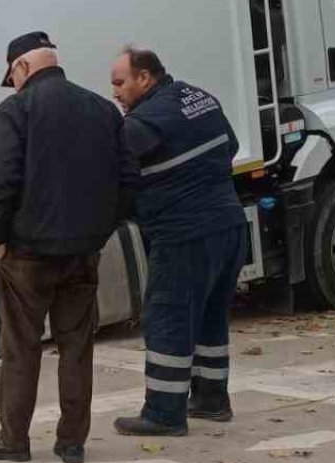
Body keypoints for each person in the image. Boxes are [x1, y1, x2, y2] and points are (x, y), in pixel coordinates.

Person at [0, 32, 135, 463]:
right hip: (83, 253)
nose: (14, 85)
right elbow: (127, 184)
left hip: (26, 256)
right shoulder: (103, 110)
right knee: (76, 348)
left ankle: (13, 440)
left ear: (22, 67)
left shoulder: (13, 112)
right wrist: (98, 234)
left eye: (13, 76)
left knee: (21, 348)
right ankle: (71, 442)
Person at [109, 46, 249, 437]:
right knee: (209, 317)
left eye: (120, 83)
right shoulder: (198, 97)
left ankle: (164, 413)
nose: (115, 93)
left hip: (184, 233)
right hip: (229, 225)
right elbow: (231, 147)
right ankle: (212, 399)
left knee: (168, 317)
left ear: (144, 78)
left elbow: (115, 163)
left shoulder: (146, 120)